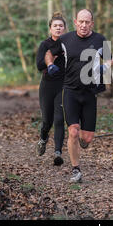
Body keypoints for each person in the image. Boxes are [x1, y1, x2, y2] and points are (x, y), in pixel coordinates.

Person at [45, 9, 111, 183]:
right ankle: (76, 170)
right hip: (70, 92)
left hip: (90, 94)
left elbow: (111, 59)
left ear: (92, 24)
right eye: (81, 21)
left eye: (87, 22)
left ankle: (84, 140)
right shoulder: (65, 40)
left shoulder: (100, 40)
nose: (83, 25)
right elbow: (50, 52)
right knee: (73, 131)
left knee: (86, 137)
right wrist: (50, 64)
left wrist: (106, 67)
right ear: (75, 22)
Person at [35, 12, 68, 166]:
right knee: (47, 120)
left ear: (65, 28)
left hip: (63, 85)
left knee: (59, 118)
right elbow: (39, 66)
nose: (58, 28)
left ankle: (58, 152)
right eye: (55, 26)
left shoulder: (68, 44)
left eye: (61, 26)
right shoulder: (45, 44)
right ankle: (43, 138)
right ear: (50, 29)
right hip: (47, 86)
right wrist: (51, 61)